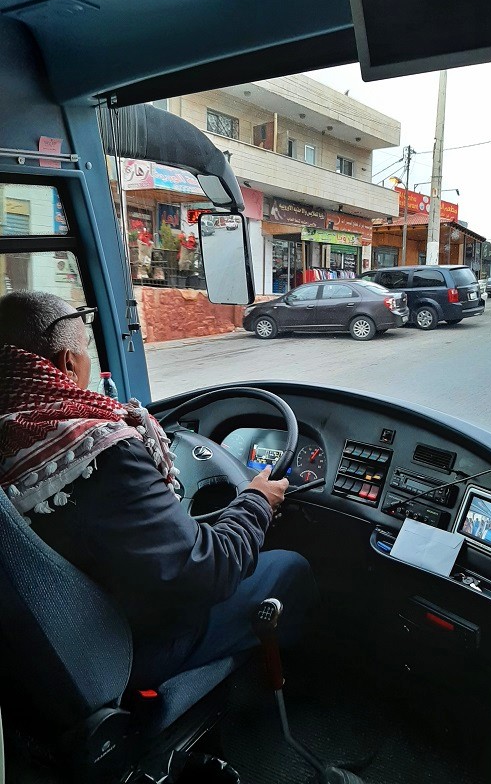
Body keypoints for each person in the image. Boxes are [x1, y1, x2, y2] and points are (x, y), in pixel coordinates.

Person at [0, 291, 317, 689]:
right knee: (290, 567)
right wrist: (256, 501)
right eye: (86, 357)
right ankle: (288, 692)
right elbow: (206, 571)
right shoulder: (98, 451)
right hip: (127, 649)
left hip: (38, 653)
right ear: (67, 364)